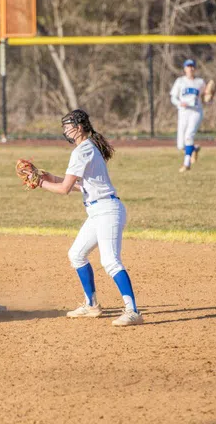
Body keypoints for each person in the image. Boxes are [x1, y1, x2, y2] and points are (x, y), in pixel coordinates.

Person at [35, 109, 143, 326]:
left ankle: (133, 311)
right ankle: (91, 305)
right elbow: (79, 185)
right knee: (76, 254)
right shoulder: (87, 148)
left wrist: (40, 183)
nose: (65, 130)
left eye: (68, 126)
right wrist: (50, 178)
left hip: (107, 211)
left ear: (79, 127)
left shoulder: (81, 151)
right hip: (98, 211)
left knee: (110, 261)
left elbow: (65, 189)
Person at [170, 59, 209, 172]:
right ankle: (194, 149)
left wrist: (209, 97)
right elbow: (173, 97)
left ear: (195, 68)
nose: (190, 68)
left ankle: (186, 164)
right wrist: (179, 103)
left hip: (196, 112)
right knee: (181, 145)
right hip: (183, 112)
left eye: (192, 66)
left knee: (189, 136)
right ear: (184, 69)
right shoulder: (180, 81)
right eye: (188, 66)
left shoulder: (200, 82)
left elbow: (206, 99)